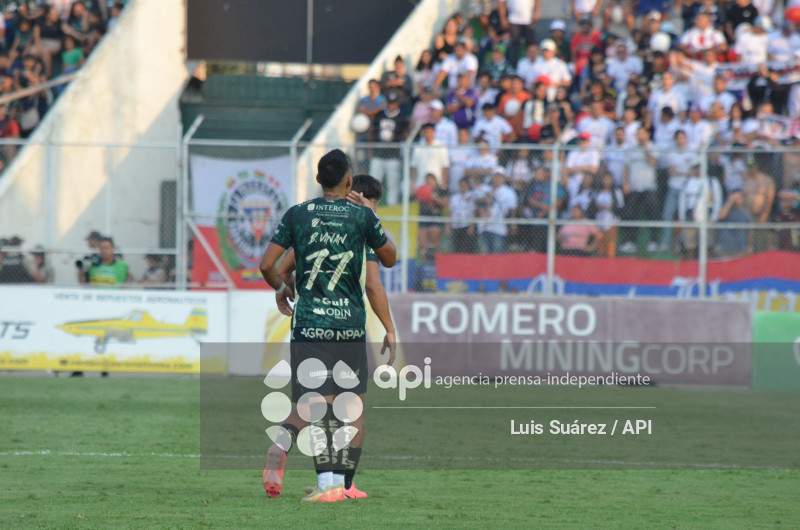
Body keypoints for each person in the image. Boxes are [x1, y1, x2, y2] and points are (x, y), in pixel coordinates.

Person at [259, 150, 396, 503]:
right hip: (348, 326)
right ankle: (339, 485)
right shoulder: (360, 219)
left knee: (316, 402)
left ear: (318, 180)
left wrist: (281, 289)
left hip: (308, 325)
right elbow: (389, 260)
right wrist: (371, 216)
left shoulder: (299, 215)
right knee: (350, 407)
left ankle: (295, 452)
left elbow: (268, 264)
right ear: (349, 182)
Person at [369, 92, 409, 206]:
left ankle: (392, 206)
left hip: (393, 156)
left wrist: (402, 154)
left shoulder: (402, 117)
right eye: (390, 103)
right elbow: (373, 131)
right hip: (378, 154)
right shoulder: (380, 114)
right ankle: (371, 206)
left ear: (397, 104)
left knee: (393, 184)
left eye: (394, 104)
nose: (391, 106)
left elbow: (405, 136)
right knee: (373, 183)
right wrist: (370, 149)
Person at [411, 123, 450, 194]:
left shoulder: (440, 146)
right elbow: (414, 167)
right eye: (426, 132)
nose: (428, 134)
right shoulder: (418, 148)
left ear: (434, 133)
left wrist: (445, 184)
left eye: (430, 132)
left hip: (437, 183)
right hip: (420, 182)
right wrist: (413, 183)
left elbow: (445, 167)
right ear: (423, 133)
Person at [448, 177, 479, 253]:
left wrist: (472, 226)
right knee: (456, 249)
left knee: (467, 249)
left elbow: (474, 212)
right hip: (456, 226)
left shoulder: (472, 197)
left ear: (468, 186)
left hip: (467, 226)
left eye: (464, 186)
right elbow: (450, 212)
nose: (462, 188)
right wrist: (448, 226)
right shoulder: (454, 198)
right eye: (461, 186)